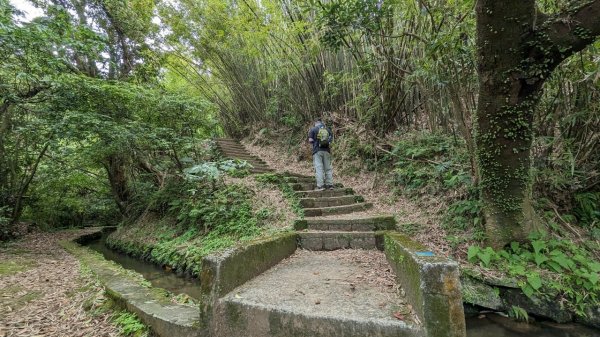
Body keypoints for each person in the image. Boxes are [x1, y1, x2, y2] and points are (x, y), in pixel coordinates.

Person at [308, 119, 334, 190]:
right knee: (328, 168)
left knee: (319, 168)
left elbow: (310, 140)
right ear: (322, 123)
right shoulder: (327, 130)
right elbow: (331, 139)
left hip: (317, 151)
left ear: (315, 123)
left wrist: (314, 142)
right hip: (327, 151)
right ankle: (330, 185)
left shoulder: (313, 129)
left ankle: (321, 185)